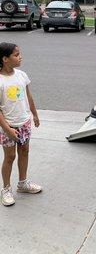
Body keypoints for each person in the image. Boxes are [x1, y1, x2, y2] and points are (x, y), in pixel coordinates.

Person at [0, 43, 42, 207]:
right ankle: (6, 188)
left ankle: (23, 183)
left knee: (24, 151)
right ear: (5, 59)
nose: (20, 57)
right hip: (8, 126)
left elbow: (28, 97)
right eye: (16, 55)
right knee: (9, 157)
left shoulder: (22, 75)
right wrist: (7, 129)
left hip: (24, 122)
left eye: (20, 54)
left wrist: (35, 114)